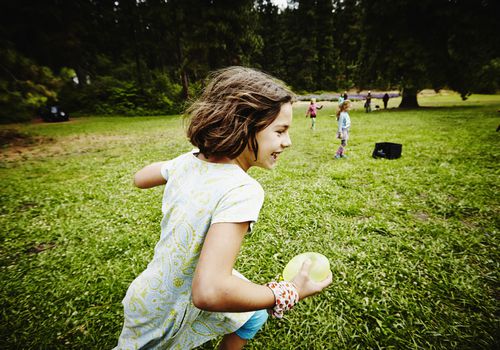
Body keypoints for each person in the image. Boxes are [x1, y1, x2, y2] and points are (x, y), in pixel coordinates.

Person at [114, 67, 332, 350]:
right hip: (166, 312)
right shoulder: (243, 190)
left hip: (149, 293)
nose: (287, 142)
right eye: (280, 131)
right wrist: (286, 292)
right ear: (243, 125)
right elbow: (210, 291)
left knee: (252, 316)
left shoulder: (186, 161)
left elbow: (140, 178)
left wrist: (184, 165)